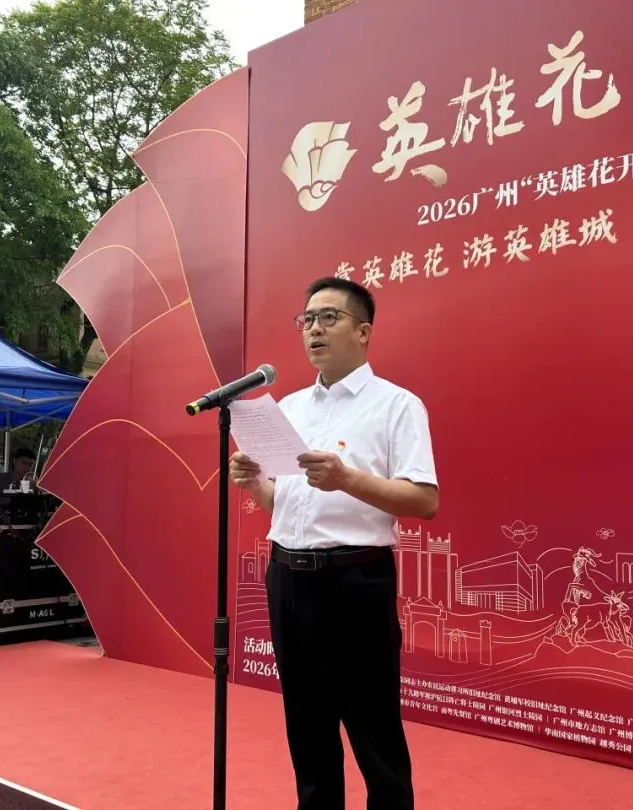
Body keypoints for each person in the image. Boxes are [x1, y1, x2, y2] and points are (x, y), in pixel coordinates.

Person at [229, 277, 439, 810]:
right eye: (307, 319)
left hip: (354, 581)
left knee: (373, 730)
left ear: (363, 331)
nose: (314, 329)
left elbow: (424, 501)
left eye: (329, 317)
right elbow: (287, 505)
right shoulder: (290, 407)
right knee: (307, 726)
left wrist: (347, 478)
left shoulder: (396, 405)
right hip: (287, 576)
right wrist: (255, 484)